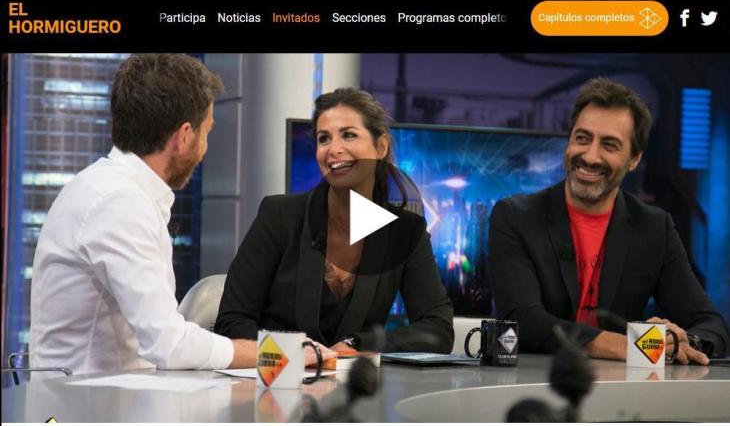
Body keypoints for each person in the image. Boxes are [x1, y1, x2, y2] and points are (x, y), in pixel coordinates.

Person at [29, 54, 332, 378]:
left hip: (114, 392)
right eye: (206, 133)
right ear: (184, 136)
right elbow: (168, 344)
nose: (205, 148)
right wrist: (283, 354)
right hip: (82, 401)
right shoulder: (119, 203)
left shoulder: (109, 187)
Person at [488, 77, 728, 364]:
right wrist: (631, 345)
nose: (590, 156)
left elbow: (711, 325)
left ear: (634, 159)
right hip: (536, 381)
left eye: (609, 145)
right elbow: (522, 319)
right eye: (582, 138)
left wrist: (682, 342)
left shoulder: (654, 227)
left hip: (620, 386)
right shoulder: (515, 217)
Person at [215, 88, 454, 353]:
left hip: (356, 378)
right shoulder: (279, 215)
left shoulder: (406, 232)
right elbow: (231, 322)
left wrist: (358, 344)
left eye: (349, 135)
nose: (334, 150)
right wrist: (296, 352)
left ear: (381, 146)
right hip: (279, 373)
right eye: (324, 139)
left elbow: (437, 330)